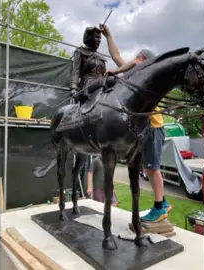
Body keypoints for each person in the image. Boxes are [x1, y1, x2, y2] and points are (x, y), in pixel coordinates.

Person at [99, 24, 172, 222]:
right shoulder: (135, 79)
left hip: (153, 127)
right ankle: (163, 202)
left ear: (145, 62)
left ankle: (159, 206)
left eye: (139, 56)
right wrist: (109, 35)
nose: (134, 58)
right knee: (150, 167)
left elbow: (126, 64)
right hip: (145, 127)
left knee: (152, 167)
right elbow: (116, 57)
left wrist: (117, 71)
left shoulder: (149, 78)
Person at [69, 26, 115, 104]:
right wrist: (74, 88)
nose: (99, 40)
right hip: (88, 83)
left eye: (100, 38)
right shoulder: (80, 51)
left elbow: (103, 73)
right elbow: (76, 71)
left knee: (115, 80)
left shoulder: (100, 56)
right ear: (89, 37)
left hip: (101, 81)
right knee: (111, 80)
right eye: (97, 37)